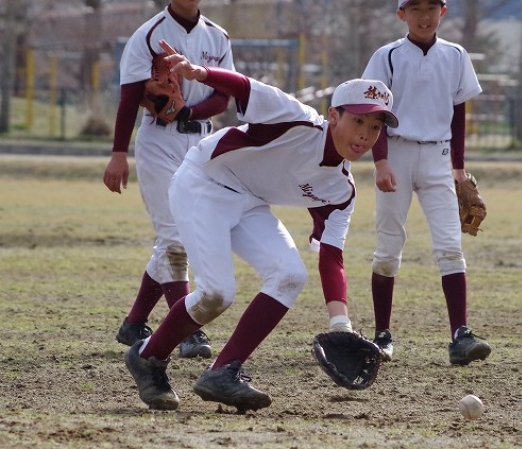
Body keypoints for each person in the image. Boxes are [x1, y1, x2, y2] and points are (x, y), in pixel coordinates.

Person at [124, 39, 399, 413]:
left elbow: (331, 255)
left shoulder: (341, 189)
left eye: (376, 126)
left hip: (250, 200)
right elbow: (244, 87)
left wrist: (340, 324)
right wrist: (200, 73)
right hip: (204, 181)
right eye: (358, 121)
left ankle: (223, 372)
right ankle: (148, 356)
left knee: (290, 275)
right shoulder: (297, 118)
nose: (365, 134)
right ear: (334, 115)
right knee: (217, 293)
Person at [361, 0, 491, 365]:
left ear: (443, 12)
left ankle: (460, 335)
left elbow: (458, 113)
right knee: (388, 248)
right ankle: (382, 335)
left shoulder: (456, 55)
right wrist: (381, 161)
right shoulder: (387, 56)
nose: (424, 15)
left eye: (432, 7)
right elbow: (375, 113)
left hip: (438, 156)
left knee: (450, 246)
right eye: (415, 7)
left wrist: (459, 168)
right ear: (401, 14)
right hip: (396, 153)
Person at [103, 0, 235, 359]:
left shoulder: (218, 37)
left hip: (202, 142)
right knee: (174, 237)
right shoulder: (148, 34)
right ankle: (188, 330)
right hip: (159, 141)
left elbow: (224, 96)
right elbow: (130, 97)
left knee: (176, 238)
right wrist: (118, 153)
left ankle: (134, 323)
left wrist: (188, 111)